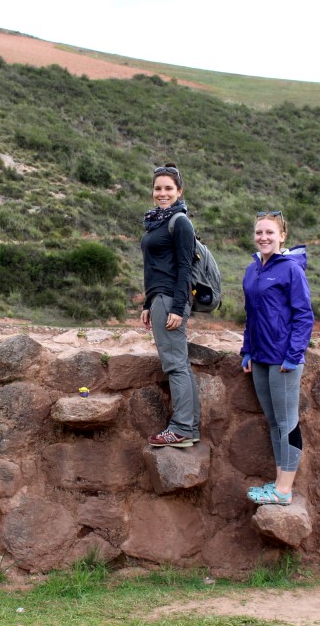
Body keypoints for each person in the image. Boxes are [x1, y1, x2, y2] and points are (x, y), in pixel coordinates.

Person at [241, 210, 314, 505]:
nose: (264, 237)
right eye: (259, 232)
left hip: (283, 358)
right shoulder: (253, 269)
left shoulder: (292, 269)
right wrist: (247, 350)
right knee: (274, 422)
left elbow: (304, 315)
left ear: (282, 236)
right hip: (260, 356)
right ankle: (279, 482)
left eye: (270, 232)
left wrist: (293, 355)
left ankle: (284, 490)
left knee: (287, 422)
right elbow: (251, 314)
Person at [140, 163, 201, 448]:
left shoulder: (180, 222)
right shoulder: (156, 221)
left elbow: (184, 267)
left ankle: (181, 428)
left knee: (175, 365)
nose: (162, 193)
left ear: (179, 191)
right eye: (158, 188)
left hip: (170, 300)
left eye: (168, 188)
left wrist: (177, 307)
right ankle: (191, 427)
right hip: (159, 298)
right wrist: (147, 302)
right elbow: (154, 267)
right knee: (180, 365)